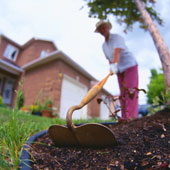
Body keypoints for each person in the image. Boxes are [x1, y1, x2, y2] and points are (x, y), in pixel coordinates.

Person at [95, 20, 139, 120]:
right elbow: (109, 59)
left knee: (130, 90)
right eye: (100, 29)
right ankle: (124, 117)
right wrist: (112, 67)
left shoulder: (116, 38)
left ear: (108, 28)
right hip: (119, 69)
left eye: (104, 27)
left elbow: (117, 52)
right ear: (99, 32)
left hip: (129, 65)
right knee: (122, 93)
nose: (103, 30)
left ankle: (131, 117)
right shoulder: (104, 46)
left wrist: (114, 64)